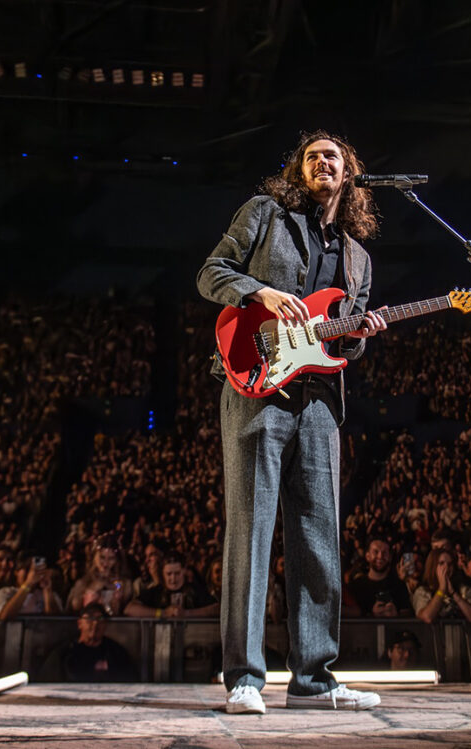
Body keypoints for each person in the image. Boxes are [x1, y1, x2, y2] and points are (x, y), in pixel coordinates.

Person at [197, 130, 386, 714]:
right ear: (299, 170)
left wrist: (360, 336)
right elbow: (211, 273)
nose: (323, 162)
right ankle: (246, 678)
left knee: (319, 539)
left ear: (349, 172)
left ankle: (314, 679)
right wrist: (259, 293)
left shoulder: (359, 258)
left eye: (334, 156)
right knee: (252, 531)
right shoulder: (265, 214)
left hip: (321, 403)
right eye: (313, 156)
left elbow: (341, 347)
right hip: (256, 388)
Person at [123, 554, 219, 619]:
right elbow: (130, 609)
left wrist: (187, 613)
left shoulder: (195, 590)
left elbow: (218, 609)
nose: (173, 578)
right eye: (169, 574)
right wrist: (162, 613)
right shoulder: (156, 591)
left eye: (177, 573)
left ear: (184, 571)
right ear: (162, 573)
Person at [60, 603, 138, 682]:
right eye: (90, 618)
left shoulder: (115, 651)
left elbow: (128, 676)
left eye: (100, 619)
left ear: (105, 624)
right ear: (80, 623)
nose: (95, 623)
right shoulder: (67, 651)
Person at [413, 548, 471, 624]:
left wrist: (454, 593)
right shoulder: (423, 591)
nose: (446, 567)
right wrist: (441, 590)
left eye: (450, 564)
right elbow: (427, 617)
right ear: (433, 566)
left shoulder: (464, 589)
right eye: (441, 563)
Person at [348, 538, 413, 617]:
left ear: (389, 557)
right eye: (376, 552)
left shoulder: (399, 585)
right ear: (368, 556)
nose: (380, 556)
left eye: (385, 552)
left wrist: (396, 615)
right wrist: (372, 615)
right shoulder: (356, 586)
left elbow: (407, 614)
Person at [0, 554, 62, 621]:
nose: (32, 573)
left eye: (36, 570)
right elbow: (4, 617)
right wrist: (28, 584)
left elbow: (54, 621)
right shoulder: (6, 592)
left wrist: (47, 590)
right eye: (27, 569)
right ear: (16, 572)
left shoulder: (50, 594)